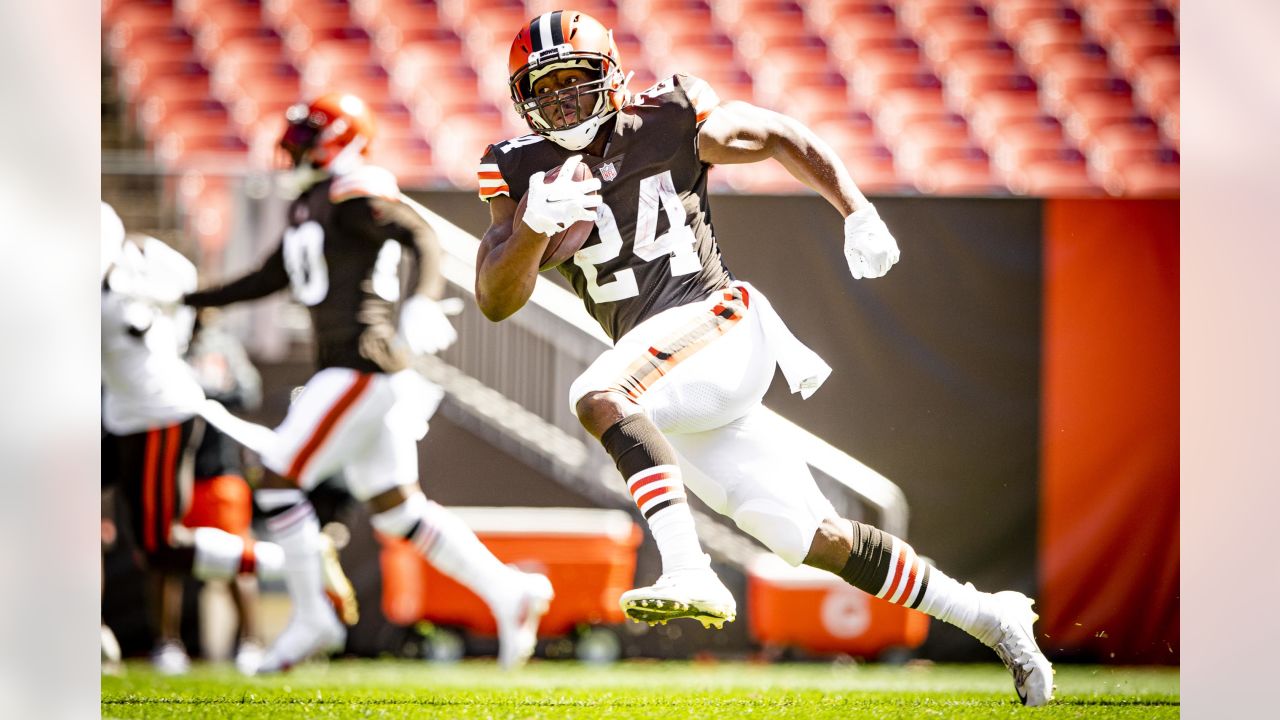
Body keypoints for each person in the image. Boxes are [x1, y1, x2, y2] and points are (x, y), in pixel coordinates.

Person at [474, 10, 1054, 706]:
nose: (564, 100)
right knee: (808, 537)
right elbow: (496, 299)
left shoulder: (667, 117)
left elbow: (777, 132)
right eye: (548, 88)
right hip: (671, 379)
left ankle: (688, 568)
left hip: (715, 322)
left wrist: (856, 209)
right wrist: (534, 229)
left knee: (602, 397)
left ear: (613, 78)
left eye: (577, 81)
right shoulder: (516, 166)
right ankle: (991, 617)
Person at [176, 93, 554, 672]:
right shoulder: (312, 203)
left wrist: (422, 302)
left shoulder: (354, 191)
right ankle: (510, 592)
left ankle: (311, 617)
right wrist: (184, 298)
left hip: (359, 364)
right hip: (352, 369)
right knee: (399, 510)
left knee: (278, 478)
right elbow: (266, 278)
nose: (294, 153)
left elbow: (419, 235)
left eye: (304, 142)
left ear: (338, 142)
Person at [100, 202, 291, 674]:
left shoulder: (117, 290)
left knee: (161, 545)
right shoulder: (131, 273)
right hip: (125, 414)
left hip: (158, 414)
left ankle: (286, 565)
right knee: (133, 541)